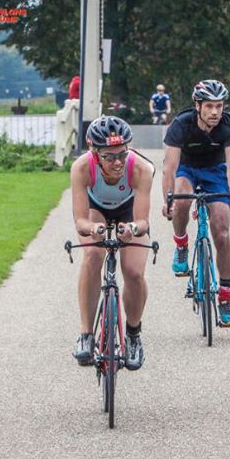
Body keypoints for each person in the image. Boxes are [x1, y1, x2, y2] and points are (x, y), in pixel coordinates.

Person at [70, 116, 155, 370]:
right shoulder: (81, 168)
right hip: (95, 211)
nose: (118, 162)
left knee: (133, 271)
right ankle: (86, 334)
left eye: (122, 153)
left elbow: (143, 221)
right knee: (93, 256)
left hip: (128, 212)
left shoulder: (141, 168)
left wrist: (131, 229)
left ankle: (133, 335)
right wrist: (94, 229)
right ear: (94, 152)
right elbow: (80, 221)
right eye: (109, 156)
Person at [161, 79, 230, 327]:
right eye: (209, 106)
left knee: (222, 232)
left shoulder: (229, 126)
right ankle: (181, 244)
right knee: (182, 198)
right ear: (198, 105)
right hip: (187, 169)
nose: (215, 112)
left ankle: (226, 297)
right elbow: (170, 167)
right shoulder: (181, 124)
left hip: (215, 172)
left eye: (219, 106)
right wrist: (167, 198)